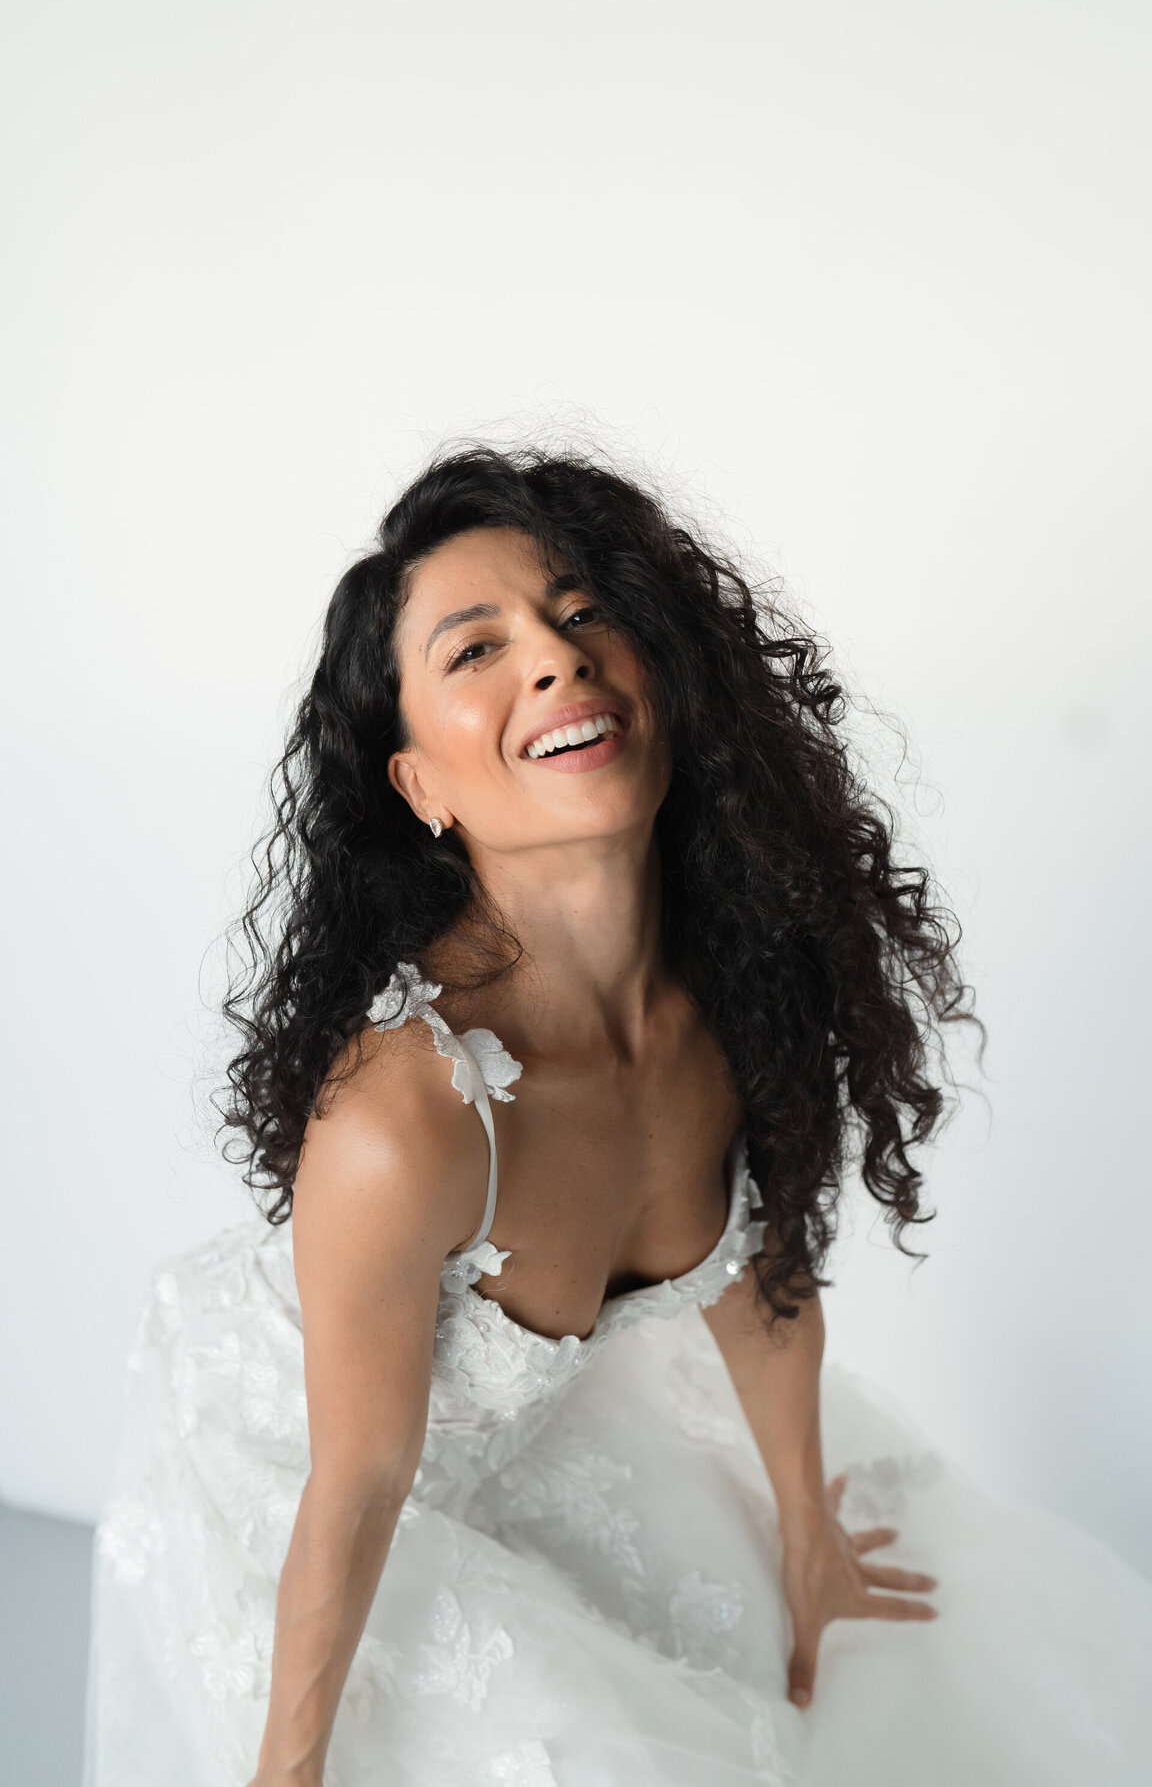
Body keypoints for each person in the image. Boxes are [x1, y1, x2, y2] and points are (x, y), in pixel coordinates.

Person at [81, 445, 1152, 1787]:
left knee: (927, 1656)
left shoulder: (738, 982)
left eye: (583, 610)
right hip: (307, 1478)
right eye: (477, 649)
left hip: (543, 1436)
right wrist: (286, 1772)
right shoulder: (405, 1112)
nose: (555, 658)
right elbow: (357, 1482)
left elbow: (761, 1278)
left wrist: (807, 1533)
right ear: (420, 787)